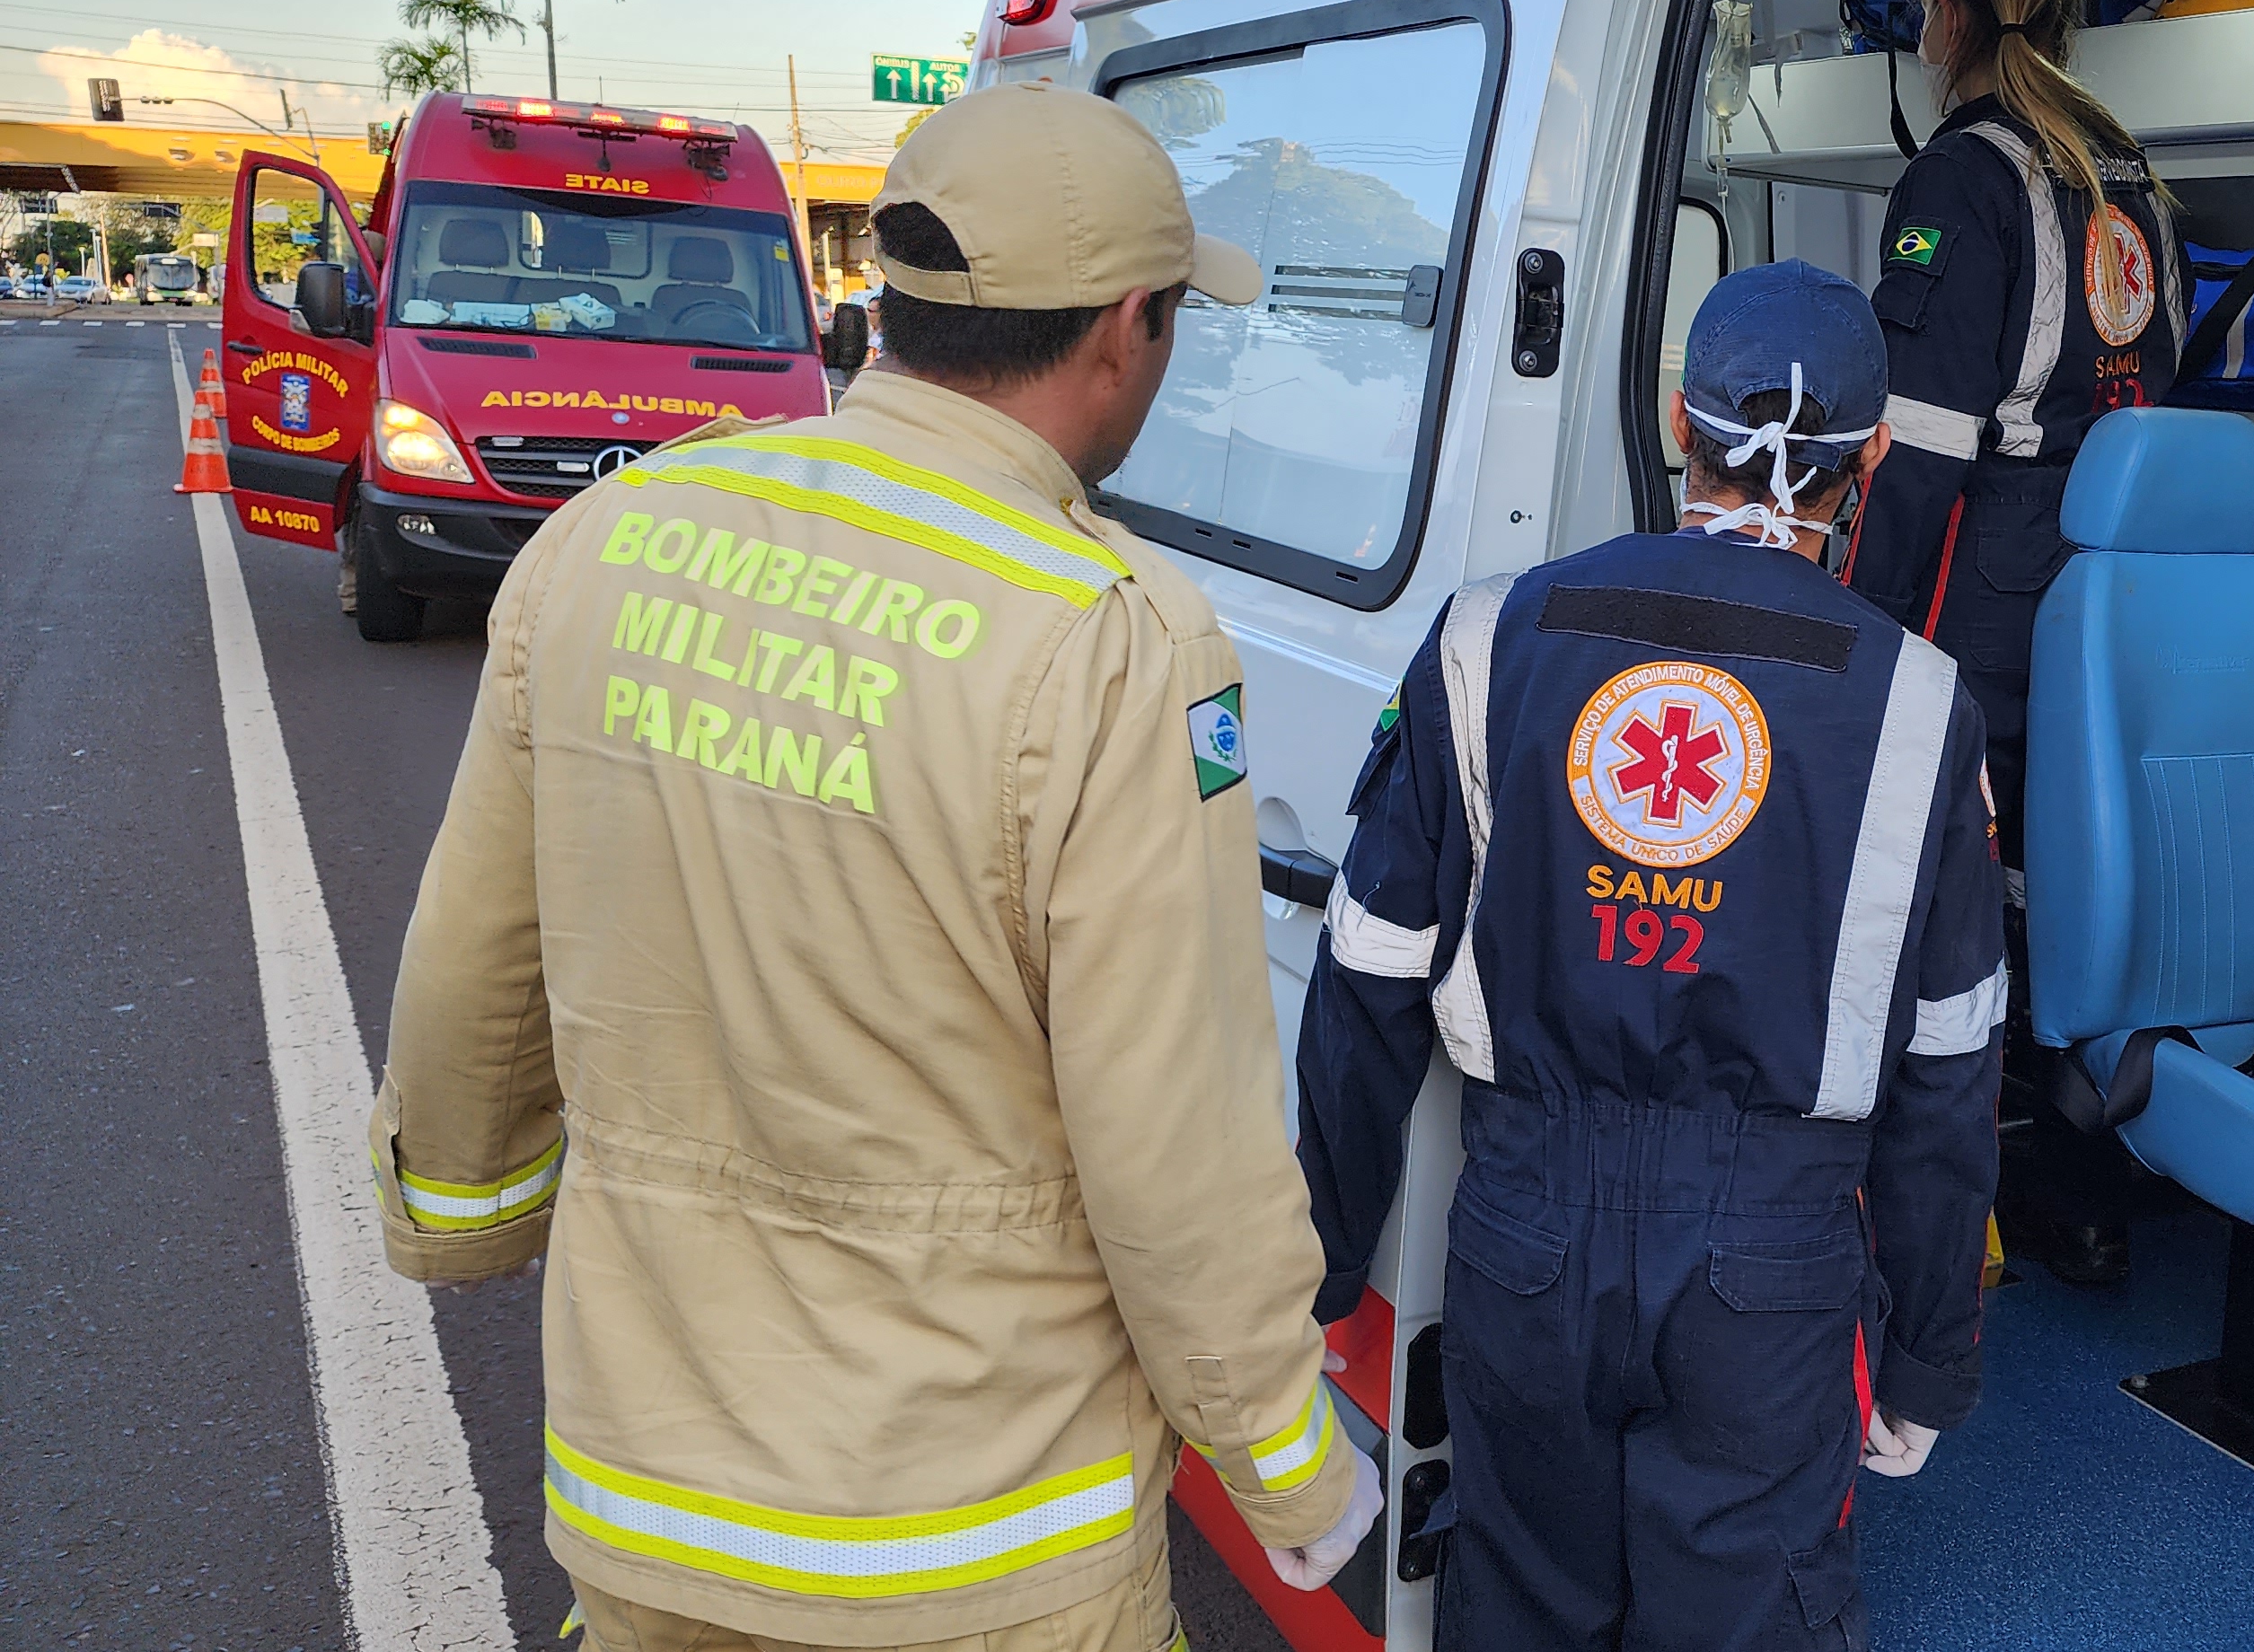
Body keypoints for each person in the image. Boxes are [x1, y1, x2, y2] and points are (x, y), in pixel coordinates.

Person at [366, 80, 1378, 1651]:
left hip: (648, 1504)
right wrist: (1293, 1470)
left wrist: (464, 1198)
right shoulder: (1116, 638)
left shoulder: (616, 537)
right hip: (978, 1541)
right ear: (1128, 326)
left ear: (897, 301)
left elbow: (475, 967)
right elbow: (1178, 1142)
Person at [1296, 260, 2007, 1651]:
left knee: (1516, 1589)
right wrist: (1930, 1355)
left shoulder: (1487, 638)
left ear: (1683, 425)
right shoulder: (1922, 705)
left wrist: (1319, 1266)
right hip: (1772, 1260)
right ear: (1872, 454)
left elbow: (1370, 975)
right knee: (1748, 1608)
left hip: (1524, 1228)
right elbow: (1947, 1064)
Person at [1839, 0, 2189, 1290]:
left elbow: (1916, 445)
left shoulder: (1963, 176)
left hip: (1983, 564)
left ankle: (1936, 1202)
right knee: (2072, 880)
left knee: (1940, 884)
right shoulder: (2135, 179)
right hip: (2114, 578)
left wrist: (1850, 632)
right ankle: (2081, 1188)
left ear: (1951, 13)